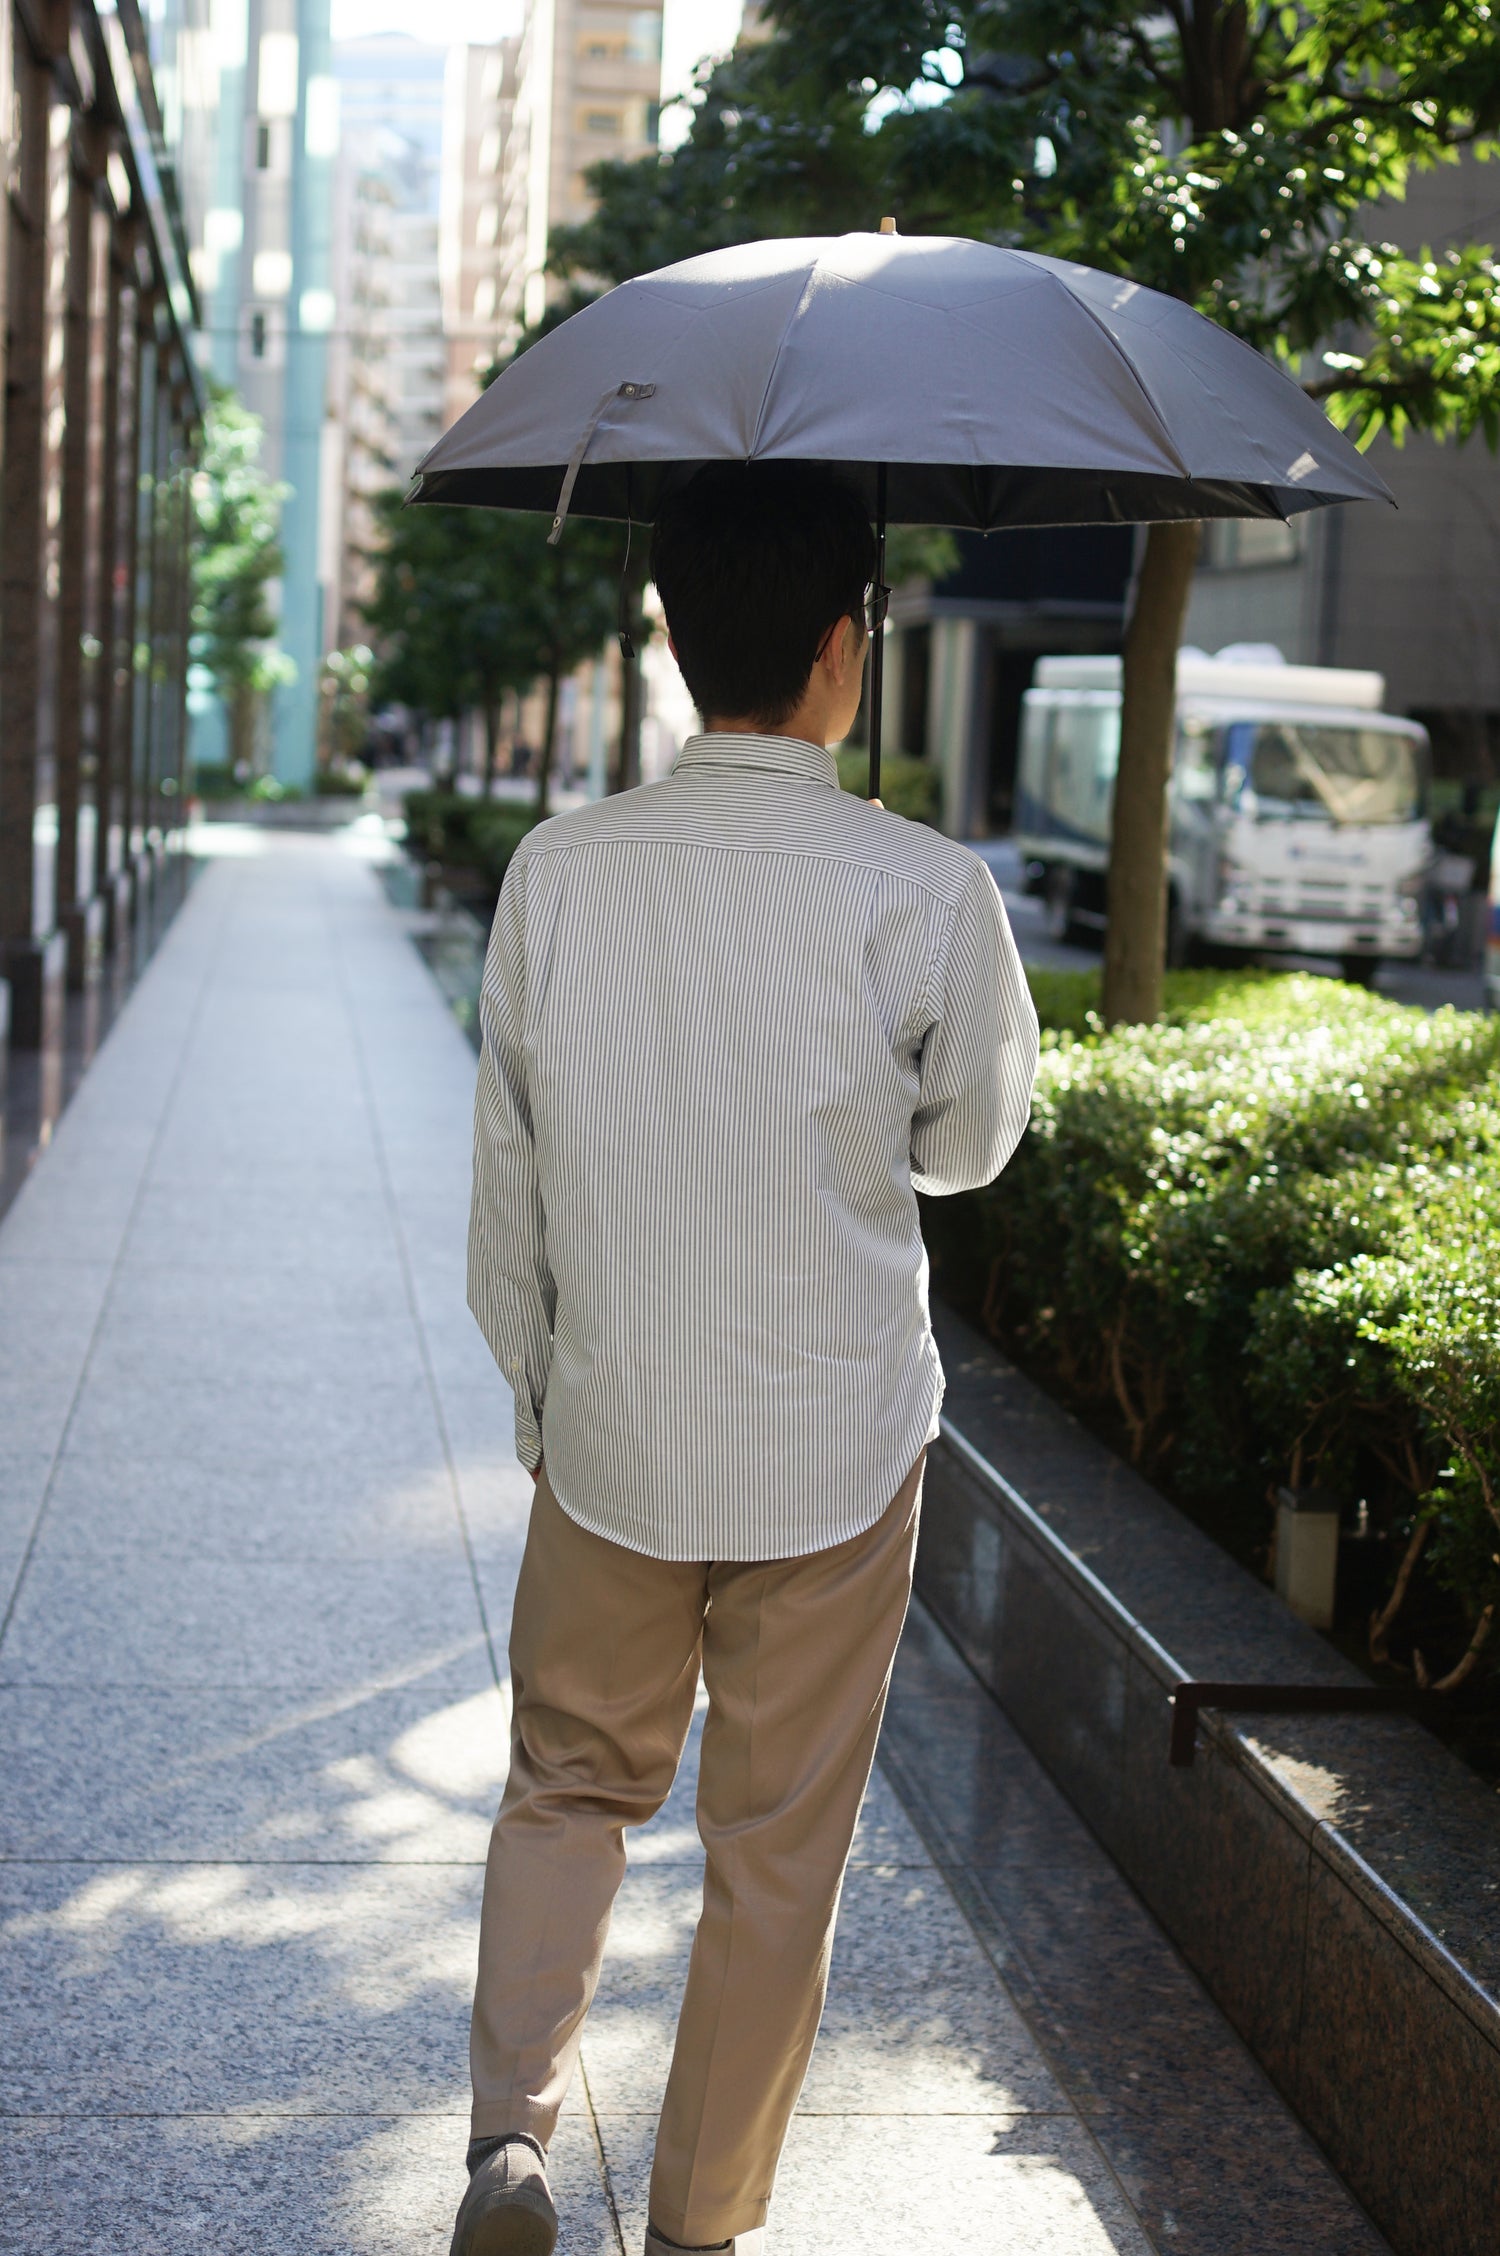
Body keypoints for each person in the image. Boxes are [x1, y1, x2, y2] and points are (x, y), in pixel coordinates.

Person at [452, 463, 1039, 2256]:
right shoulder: (927, 888)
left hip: (618, 1430)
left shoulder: (560, 873)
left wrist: (548, 1397)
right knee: (776, 1852)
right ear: (848, 645)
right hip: (838, 1445)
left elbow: (508, 1187)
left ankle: (510, 2144)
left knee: (569, 1783)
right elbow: (972, 1145)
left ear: (675, 629)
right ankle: (699, 2226)